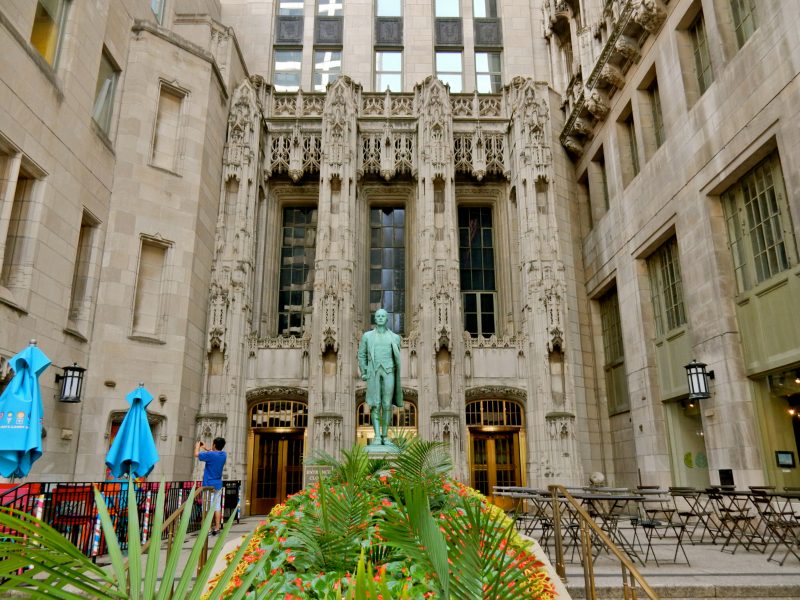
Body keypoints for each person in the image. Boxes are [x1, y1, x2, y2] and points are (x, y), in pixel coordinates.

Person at [357, 308, 403, 445]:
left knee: (387, 404)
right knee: (375, 404)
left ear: (387, 319)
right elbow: (361, 354)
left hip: (389, 372)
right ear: (375, 319)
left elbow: (396, 356)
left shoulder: (395, 337)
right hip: (374, 372)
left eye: (383, 316)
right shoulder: (367, 336)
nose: (381, 318)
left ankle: (385, 436)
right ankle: (377, 436)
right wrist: (364, 371)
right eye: (378, 316)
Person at [194, 437, 227, 535]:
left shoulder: (211, 455)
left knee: (207, 507)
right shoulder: (223, 455)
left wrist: (197, 446)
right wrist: (206, 448)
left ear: (214, 445)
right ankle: (217, 528)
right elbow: (213, 452)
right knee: (217, 506)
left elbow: (196, 454)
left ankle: (207, 528)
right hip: (217, 484)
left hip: (208, 484)